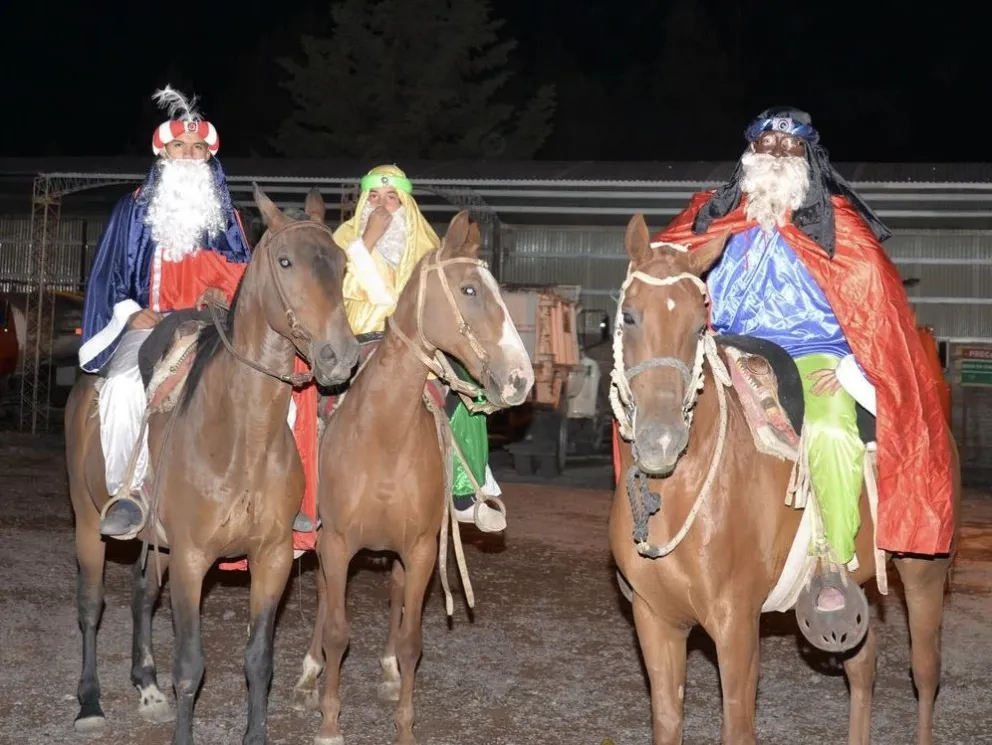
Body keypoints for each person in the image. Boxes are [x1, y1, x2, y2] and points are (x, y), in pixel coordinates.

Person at [648, 106, 955, 608]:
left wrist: (853, 366)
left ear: (807, 157)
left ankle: (831, 562)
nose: (776, 154)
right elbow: (662, 270)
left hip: (814, 353)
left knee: (833, 429)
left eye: (790, 147)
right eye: (767, 144)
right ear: (749, 153)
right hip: (727, 347)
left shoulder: (837, 224)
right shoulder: (710, 213)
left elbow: (875, 308)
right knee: (661, 405)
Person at [79, 86, 320, 544]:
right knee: (124, 388)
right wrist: (130, 315)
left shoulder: (226, 215)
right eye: (178, 147)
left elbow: (247, 279)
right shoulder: (130, 211)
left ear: (208, 156)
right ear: (162, 153)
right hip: (153, 322)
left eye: (197, 149)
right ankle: (127, 493)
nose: (188, 156)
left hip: (214, 327)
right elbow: (108, 276)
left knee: (278, 387)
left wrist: (226, 297)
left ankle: (282, 494)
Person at [332, 164, 506, 532]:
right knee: (307, 397)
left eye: (391, 198)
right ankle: (303, 500)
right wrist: (367, 243)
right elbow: (331, 289)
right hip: (355, 337)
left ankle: (466, 489)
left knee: (465, 388)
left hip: (415, 345)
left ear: (405, 203)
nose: (381, 206)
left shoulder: (428, 247)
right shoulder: (342, 242)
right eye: (374, 197)